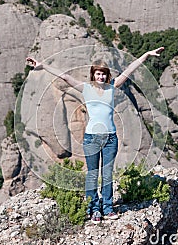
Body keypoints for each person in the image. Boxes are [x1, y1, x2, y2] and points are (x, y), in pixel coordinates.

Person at [26, 46, 164, 224]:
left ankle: (107, 207)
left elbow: (130, 69)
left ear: (107, 75)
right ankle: (93, 209)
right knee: (92, 174)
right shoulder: (86, 88)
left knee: (107, 174)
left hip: (110, 139)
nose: (101, 77)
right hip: (91, 138)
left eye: (103, 74)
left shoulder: (113, 87)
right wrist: (42, 65)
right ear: (93, 75)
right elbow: (64, 76)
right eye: (98, 74)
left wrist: (146, 54)